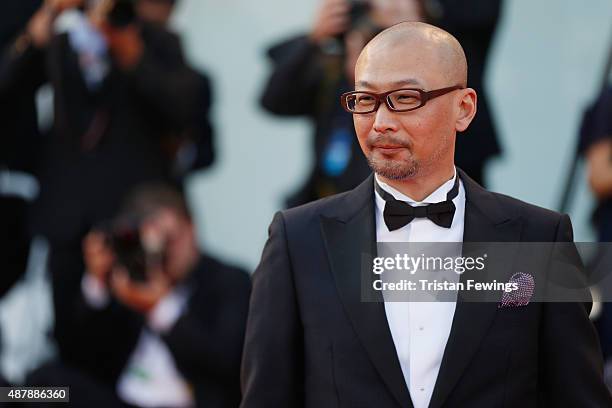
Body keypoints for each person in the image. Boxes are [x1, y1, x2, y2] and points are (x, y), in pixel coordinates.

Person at [240, 22, 612, 407]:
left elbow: (578, 395)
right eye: (365, 100)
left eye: (404, 98)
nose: (380, 122)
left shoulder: (537, 238)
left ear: (463, 109)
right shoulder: (299, 239)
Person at [28, 184, 251, 408]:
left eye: (169, 240)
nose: (162, 253)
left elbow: (226, 363)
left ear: (191, 228)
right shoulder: (131, 278)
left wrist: (161, 307)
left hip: (183, 401)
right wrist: (96, 283)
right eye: (151, 244)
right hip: (124, 400)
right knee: (34, 389)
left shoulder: (230, 282)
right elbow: (80, 357)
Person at [260, 0, 425, 207]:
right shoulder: (333, 82)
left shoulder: (434, 93)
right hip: (327, 206)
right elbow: (274, 101)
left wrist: (415, 35)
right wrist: (313, 40)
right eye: (364, 43)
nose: (373, 57)